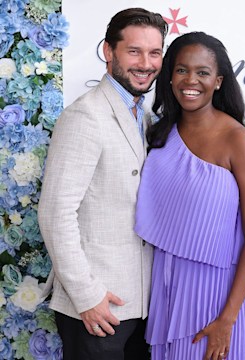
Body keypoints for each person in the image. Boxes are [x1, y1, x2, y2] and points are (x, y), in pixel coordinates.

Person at [38, 8, 167, 359]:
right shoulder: (86, 116)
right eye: (134, 51)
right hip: (98, 309)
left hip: (141, 306)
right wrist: (87, 295)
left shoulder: (146, 114)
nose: (146, 63)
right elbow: (55, 214)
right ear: (109, 52)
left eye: (155, 53)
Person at [134, 32, 245, 359]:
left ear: (219, 81)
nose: (190, 80)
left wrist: (227, 319)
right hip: (170, 291)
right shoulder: (158, 134)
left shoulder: (239, 141)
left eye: (202, 72)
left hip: (223, 297)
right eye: (181, 70)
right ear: (169, 76)